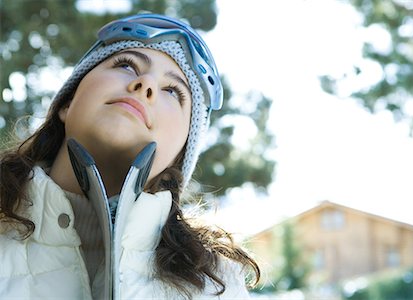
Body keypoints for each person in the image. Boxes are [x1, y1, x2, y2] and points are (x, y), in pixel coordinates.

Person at [0, 13, 260, 299]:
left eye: (173, 91)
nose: (146, 84)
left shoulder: (216, 285)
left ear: (179, 157)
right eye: (126, 64)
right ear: (67, 102)